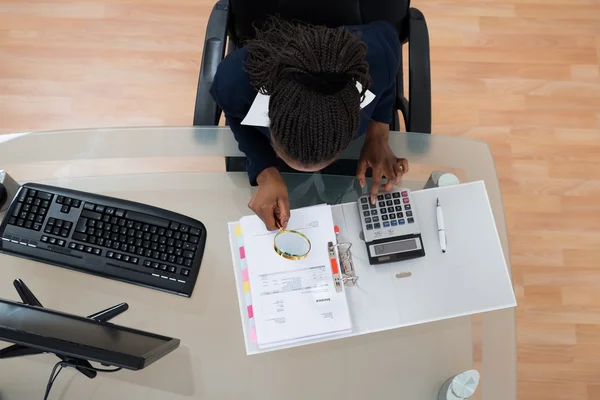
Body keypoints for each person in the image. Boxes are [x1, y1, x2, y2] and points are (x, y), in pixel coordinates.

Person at [210, 18, 409, 230]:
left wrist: (378, 134)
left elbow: (387, 81)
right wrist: (266, 171)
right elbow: (234, 114)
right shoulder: (235, 80)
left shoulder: (379, 56)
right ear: (270, 123)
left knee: (338, 189)